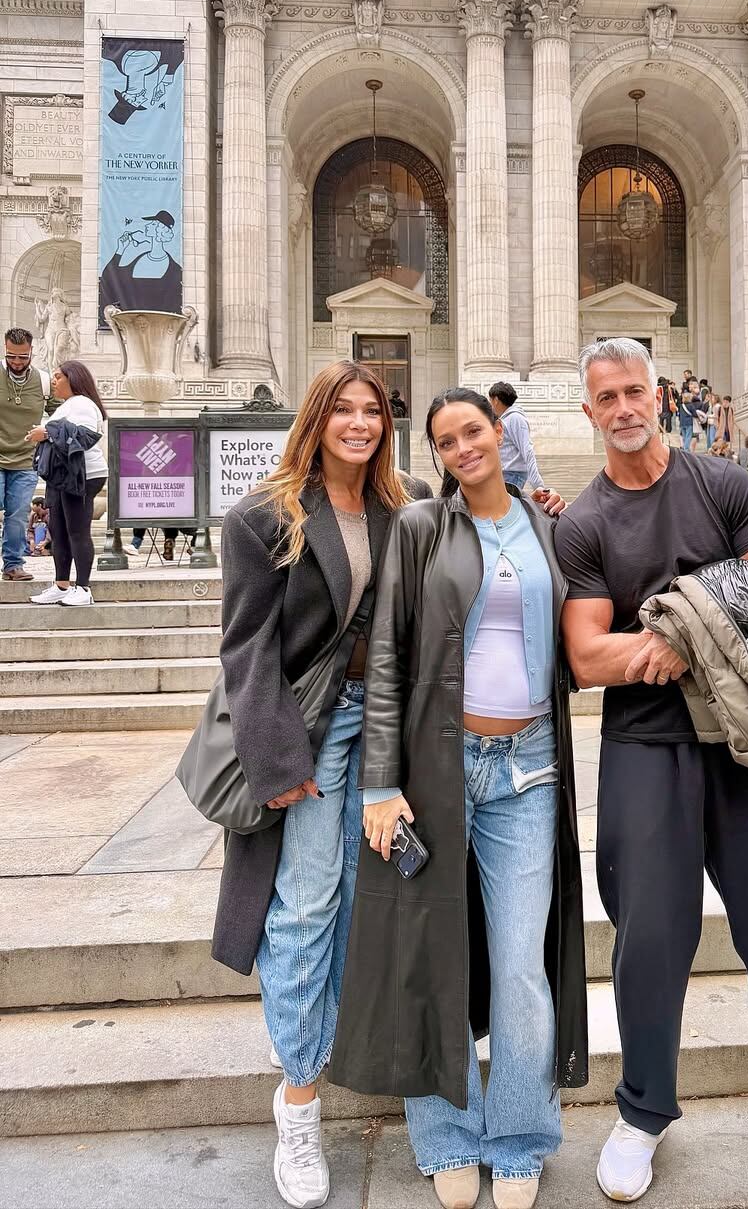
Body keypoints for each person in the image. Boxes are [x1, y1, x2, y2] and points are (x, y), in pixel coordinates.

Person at [552, 338, 748, 1207]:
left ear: (661, 393)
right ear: (589, 412)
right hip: (647, 748)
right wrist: (705, 625)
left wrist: (676, 627)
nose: (622, 407)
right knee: (649, 942)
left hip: (747, 746)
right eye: (605, 397)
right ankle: (642, 1112)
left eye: (634, 389)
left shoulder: (723, 483)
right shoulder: (584, 521)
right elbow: (587, 654)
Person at [329, 389, 586, 1209]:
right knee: (431, 957)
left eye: (474, 430)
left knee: (519, 966)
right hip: (440, 766)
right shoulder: (420, 528)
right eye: (446, 440)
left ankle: (518, 1136)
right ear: (435, 453)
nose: (463, 447)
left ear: (501, 432)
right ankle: (444, 1135)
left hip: (529, 768)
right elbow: (388, 657)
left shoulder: (550, 526)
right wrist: (379, 779)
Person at [207, 361, 430, 1209]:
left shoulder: (399, 507)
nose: (361, 422)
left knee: (353, 901)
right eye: (344, 407)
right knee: (304, 905)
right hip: (302, 732)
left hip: (379, 730)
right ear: (317, 416)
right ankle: (299, 1103)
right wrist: (277, 764)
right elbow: (246, 648)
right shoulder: (266, 514)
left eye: (373, 408)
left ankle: (322, 1052)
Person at [27, 361, 107, 608]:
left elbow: (83, 438)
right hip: (63, 476)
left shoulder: (82, 403)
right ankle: (61, 585)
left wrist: (47, 432)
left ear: (74, 378)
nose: (54, 381)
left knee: (76, 531)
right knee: (59, 530)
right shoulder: (69, 405)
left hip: (82, 476)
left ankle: (83, 588)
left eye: (59, 376)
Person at [0, 327, 51, 582]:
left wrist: (47, 431)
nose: (17, 362)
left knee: (18, 514)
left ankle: (12, 565)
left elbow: (63, 412)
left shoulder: (43, 381)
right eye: (11, 356)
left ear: (31, 352)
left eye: (22, 357)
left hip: (25, 461)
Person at [488, 382, 545, 494]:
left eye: (490, 400)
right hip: (506, 474)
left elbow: (527, 450)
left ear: (496, 400)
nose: (490, 405)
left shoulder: (515, 418)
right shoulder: (506, 419)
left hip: (512, 475)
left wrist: (538, 485)